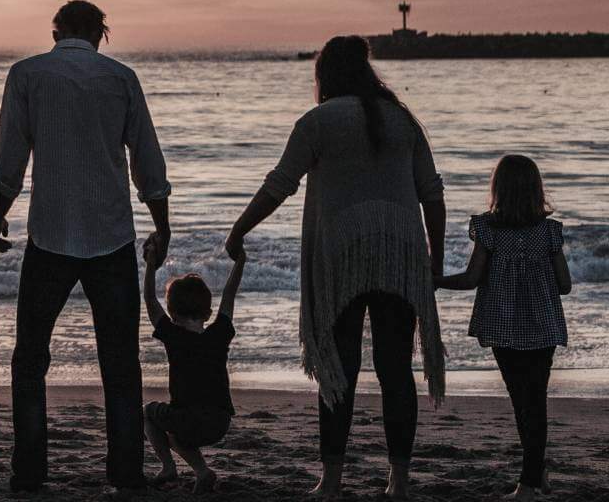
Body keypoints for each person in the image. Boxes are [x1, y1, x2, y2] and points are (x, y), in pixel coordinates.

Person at [227, 34, 447, 499]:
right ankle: (399, 481)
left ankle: (330, 479)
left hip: (340, 257)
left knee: (337, 368)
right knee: (395, 370)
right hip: (399, 255)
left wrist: (239, 229)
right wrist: (435, 260)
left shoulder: (317, 122)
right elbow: (432, 193)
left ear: (325, 74)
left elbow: (278, 185)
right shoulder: (403, 121)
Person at [0, 0, 170, 494]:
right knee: (120, 361)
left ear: (55, 31)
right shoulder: (121, 78)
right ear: (100, 34)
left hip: (49, 235)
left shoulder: (27, 75)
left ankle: (29, 473)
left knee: (30, 358)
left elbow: (11, 155)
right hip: (111, 234)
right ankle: (126, 473)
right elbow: (147, 159)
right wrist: (162, 222)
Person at [438, 155, 571, 498]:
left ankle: (528, 483)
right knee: (535, 399)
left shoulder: (488, 229)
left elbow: (471, 279)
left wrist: (436, 281)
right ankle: (536, 472)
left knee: (520, 399)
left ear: (497, 189)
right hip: (542, 325)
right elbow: (565, 284)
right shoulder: (549, 232)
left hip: (503, 325)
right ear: (536, 190)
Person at [144, 253, 244, 493]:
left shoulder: (173, 336)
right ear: (208, 314)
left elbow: (149, 300)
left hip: (189, 419)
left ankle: (168, 467)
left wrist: (150, 264)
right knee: (178, 434)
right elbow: (230, 294)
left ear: (173, 315)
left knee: (148, 413)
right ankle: (202, 472)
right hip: (220, 422)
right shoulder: (219, 333)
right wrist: (240, 261)